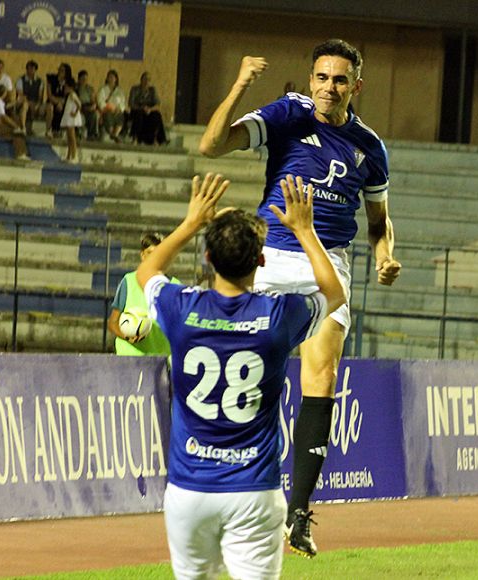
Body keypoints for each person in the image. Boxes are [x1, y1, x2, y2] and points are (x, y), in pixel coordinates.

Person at [197, 39, 401, 558]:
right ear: (310, 80)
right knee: (243, 368)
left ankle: (298, 513)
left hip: (325, 262)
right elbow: (211, 146)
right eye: (321, 78)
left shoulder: (369, 147)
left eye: (339, 79)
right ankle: (223, 489)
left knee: (322, 376)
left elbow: (378, 223)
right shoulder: (287, 115)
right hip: (269, 256)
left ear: (356, 84)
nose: (328, 88)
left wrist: (384, 255)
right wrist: (241, 84)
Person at [136, 173, 346, 579]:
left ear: (208, 259)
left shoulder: (180, 308)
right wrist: (304, 230)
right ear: (262, 260)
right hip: (253, 490)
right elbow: (333, 292)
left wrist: (191, 223)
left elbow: (148, 271)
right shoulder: (278, 317)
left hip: (189, 490)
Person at [108, 232, 180, 356]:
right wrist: (126, 337)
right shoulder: (128, 281)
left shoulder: (174, 286)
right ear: (142, 255)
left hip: (160, 361)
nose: (155, 258)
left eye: (160, 254)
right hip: (129, 358)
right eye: (150, 253)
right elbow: (113, 322)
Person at [0, 85, 28, 160]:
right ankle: (21, 154)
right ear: (4, 93)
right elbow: (3, 117)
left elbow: (5, 106)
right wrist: (16, 127)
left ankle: (21, 153)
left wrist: (16, 102)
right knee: (18, 133)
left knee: (13, 135)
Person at [128, 72, 167, 145]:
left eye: (148, 80)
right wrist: (141, 108)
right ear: (141, 80)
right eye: (145, 79)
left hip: (149, 110)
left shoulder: (152, 90)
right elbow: (131, 104)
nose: (146, 81)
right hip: (137, 109)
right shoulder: (135, 89)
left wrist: (150, 109)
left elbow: (158, 104)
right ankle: (135, 138)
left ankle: (157, 139)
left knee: (157, 115)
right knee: (138, 115)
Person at [15, 60, 47, 137]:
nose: (31, 71)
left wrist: (37, 104)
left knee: (46, 108)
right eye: (29, 68)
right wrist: (29, 103)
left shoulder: (40, 81)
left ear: (35, 70)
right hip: (23, 102)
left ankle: (48, 130)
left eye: (33, 69)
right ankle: (23, 127)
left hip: (35, 103)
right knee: (25, 106)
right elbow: (20, 95)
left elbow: (40, 96)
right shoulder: (20, 80)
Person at [97, 69, 127, 142]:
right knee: (108, 116)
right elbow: (100, 101)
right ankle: (111, 134)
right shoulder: (103, 89)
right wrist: (109, 108)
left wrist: (119, 109)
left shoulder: (120, 91)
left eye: (113, 77)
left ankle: (115, 134)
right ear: (107, 78)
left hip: (117, 111)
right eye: (109, 77)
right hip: (107, 110)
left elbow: (123, 102)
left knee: (120, 116)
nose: (111, 79)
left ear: (116, 79)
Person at [46, 63, 73, 139]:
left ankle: (63, 130)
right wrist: (58, 102)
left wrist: (61, 102)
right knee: (50, 107)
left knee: (67, 108)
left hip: (63, 103)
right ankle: (49, 130)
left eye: (62, 71)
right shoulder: (51, 79)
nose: (60, 72)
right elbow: (50, 95)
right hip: (52, 102)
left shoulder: (70, 82)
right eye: (59, 69)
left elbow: (68, 96)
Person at [60, 78, 82, 162]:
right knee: (69, 137)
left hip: (71, 118)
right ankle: (68, 156)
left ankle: (74, 156)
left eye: (65, 87)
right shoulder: (69, 95)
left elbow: (79, 104)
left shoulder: (72, 94)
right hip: (68, 117)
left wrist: (75, 113)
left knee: (72, 137)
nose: (64, 89)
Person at [76, 70, 99, 140]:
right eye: (82, 79)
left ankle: (92, 134)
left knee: (94, 114)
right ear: (79, 79)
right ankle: (79, 133)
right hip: (79, 106)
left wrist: (93, 106)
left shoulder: (90, 89)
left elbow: (93, 100)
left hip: (89, 106)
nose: (84, 81)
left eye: (86, 79)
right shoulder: (76, 88)